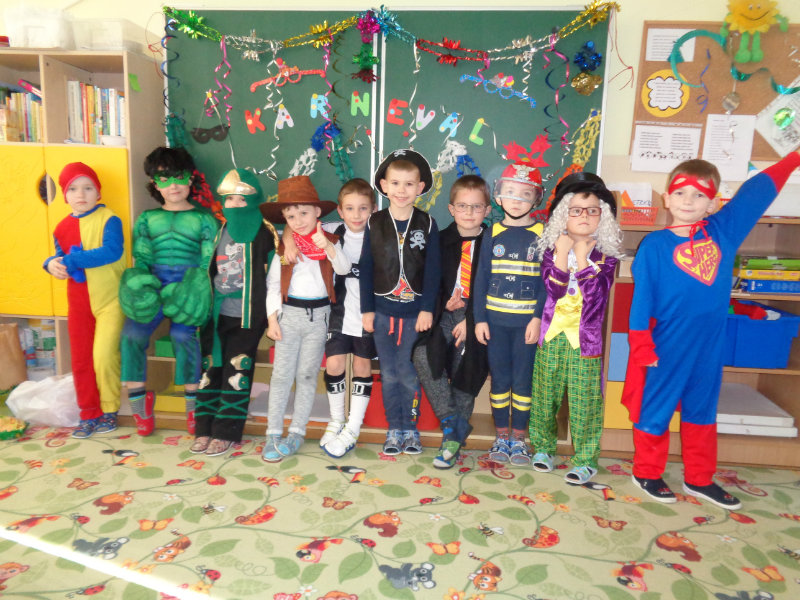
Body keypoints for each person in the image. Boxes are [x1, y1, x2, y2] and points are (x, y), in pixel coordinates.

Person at [622, 151, 800, 509]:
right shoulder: (654, 245)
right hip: (668, 345)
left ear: (713, 202)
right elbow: (642, 300)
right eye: (680, 192)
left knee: (701, 412)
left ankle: (699, 478)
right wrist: (641, 344)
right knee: (656, 409)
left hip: (709, 345)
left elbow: (756, 193)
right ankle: (646, 472)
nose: (688, 201)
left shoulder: (722, 231)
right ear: (666, 198)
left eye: (699, 194)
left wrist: (793, 158)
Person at [119, 147, 219, 436]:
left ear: (191, 179)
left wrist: (196, 287)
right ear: (154, 184)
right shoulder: (147, 218)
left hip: (188, 289)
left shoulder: (204, 219)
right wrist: (138, 284)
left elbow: (208, 261)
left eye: (179, 177)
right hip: (153, 288)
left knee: (182, 336)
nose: (173, 185)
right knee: (131, 335)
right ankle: (139, 407)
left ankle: (193, 409)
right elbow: (141, 257)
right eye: (164, 179)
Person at [529, 172, 622, 483]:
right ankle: (544, 447)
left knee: (585, 403)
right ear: (563, 215)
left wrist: (582, 260)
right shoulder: (551, 251)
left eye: (592, 210)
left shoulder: (606, 258)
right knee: (545, 398)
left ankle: (585, 459)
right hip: (552, 337)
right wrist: (561, 254)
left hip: (585, 343)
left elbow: (595, 299)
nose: (584, 216)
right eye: (576, 210)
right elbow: (553, 291)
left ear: (602, 216)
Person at [260, 175, 351, 462]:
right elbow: (273, 286)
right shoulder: (284, 248)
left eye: (304, 213)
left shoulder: (330, 238)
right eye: (290, 216)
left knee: (308, 375)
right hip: (289, 316)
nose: (298, 220)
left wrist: (328, 247)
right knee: (281, 376)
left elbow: (344, 268)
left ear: (317, 212)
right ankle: (273, 432)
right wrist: (272, 320)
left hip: (320, 317)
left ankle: (297, 431)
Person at [192, 169, 279, 456]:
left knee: (236, 370)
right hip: (216, 314)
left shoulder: (265, 233)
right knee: (211, 368)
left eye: (242, 199)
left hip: (247, 315)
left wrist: (271, 316)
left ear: (254, 201)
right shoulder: (220, 230)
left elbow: (274, 278)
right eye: (230, 199)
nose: (235, 204)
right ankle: (204, 427)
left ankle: (226, 431)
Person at [360, 149, 441, 455]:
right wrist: (367, 310)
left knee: (408, 373)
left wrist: (426, 309)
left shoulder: (427, 223)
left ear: (420, 187)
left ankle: (410, 428)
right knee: (389, 373)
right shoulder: (374, 222)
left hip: (413, 315)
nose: (402, 190)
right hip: (382, 312)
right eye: (395, 183)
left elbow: (433, 272)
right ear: (384, 185)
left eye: (409, 184)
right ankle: (394, 429)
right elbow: (366, 268)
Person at [412, 175, 491, 469]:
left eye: (476, 206)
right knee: (422, 354)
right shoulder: (441, 240)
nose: (469, 212)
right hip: (445, 313)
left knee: (465, 363)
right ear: (451, 209)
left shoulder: (492, 242)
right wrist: (443, 304)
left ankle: (451, 442)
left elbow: (493, 287)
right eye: (462, 206)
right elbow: (431, 280)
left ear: (487, 210)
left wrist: (471, 319)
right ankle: (451, 422)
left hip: (480, 318)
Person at [473, 160, 547, 466]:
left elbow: (547, 282)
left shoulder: (544, 233)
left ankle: (519, 438)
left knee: (522, 382)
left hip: (526, 325)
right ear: (498, 196)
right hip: (495, 323)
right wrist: (479, 319)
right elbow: (480, 279)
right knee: (500, 381)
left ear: (536, 199)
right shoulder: (492, 233)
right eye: (511, 192)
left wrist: (537, 318)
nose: (517, 200)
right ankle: (501, 435)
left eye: (525, 194)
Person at [44, 162, 125, 438]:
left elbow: (111, 252)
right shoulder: (61, 227)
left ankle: (110, 408)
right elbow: (59, 257)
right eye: (73, 189)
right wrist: (50, 263)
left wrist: (72, 259)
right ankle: (89, 412)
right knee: (81, 360)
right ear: (64, 195)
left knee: (103, 356)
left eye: (88, 188)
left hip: (110, 300)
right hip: (79, 302)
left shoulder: (110, 219)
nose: (81, 194)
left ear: (98, 193)